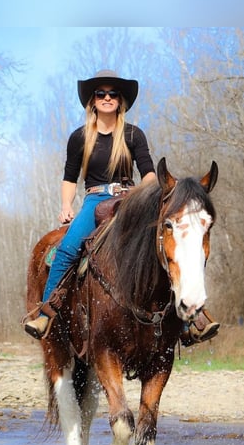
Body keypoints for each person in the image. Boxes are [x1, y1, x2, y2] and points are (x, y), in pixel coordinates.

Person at [24, 69, 220, 345]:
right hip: (94, 201)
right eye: (101, 94)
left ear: (121, 101)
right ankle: (46, 312)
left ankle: (191, 319)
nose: (107, 98)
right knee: (68, 249)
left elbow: (149, 173)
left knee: (163, 249)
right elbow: (69, 178)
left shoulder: (133, 134)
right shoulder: (79, 138)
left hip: (130, 200)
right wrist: (67, 205)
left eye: (113, 94)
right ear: (92, 100)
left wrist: (149, 196)